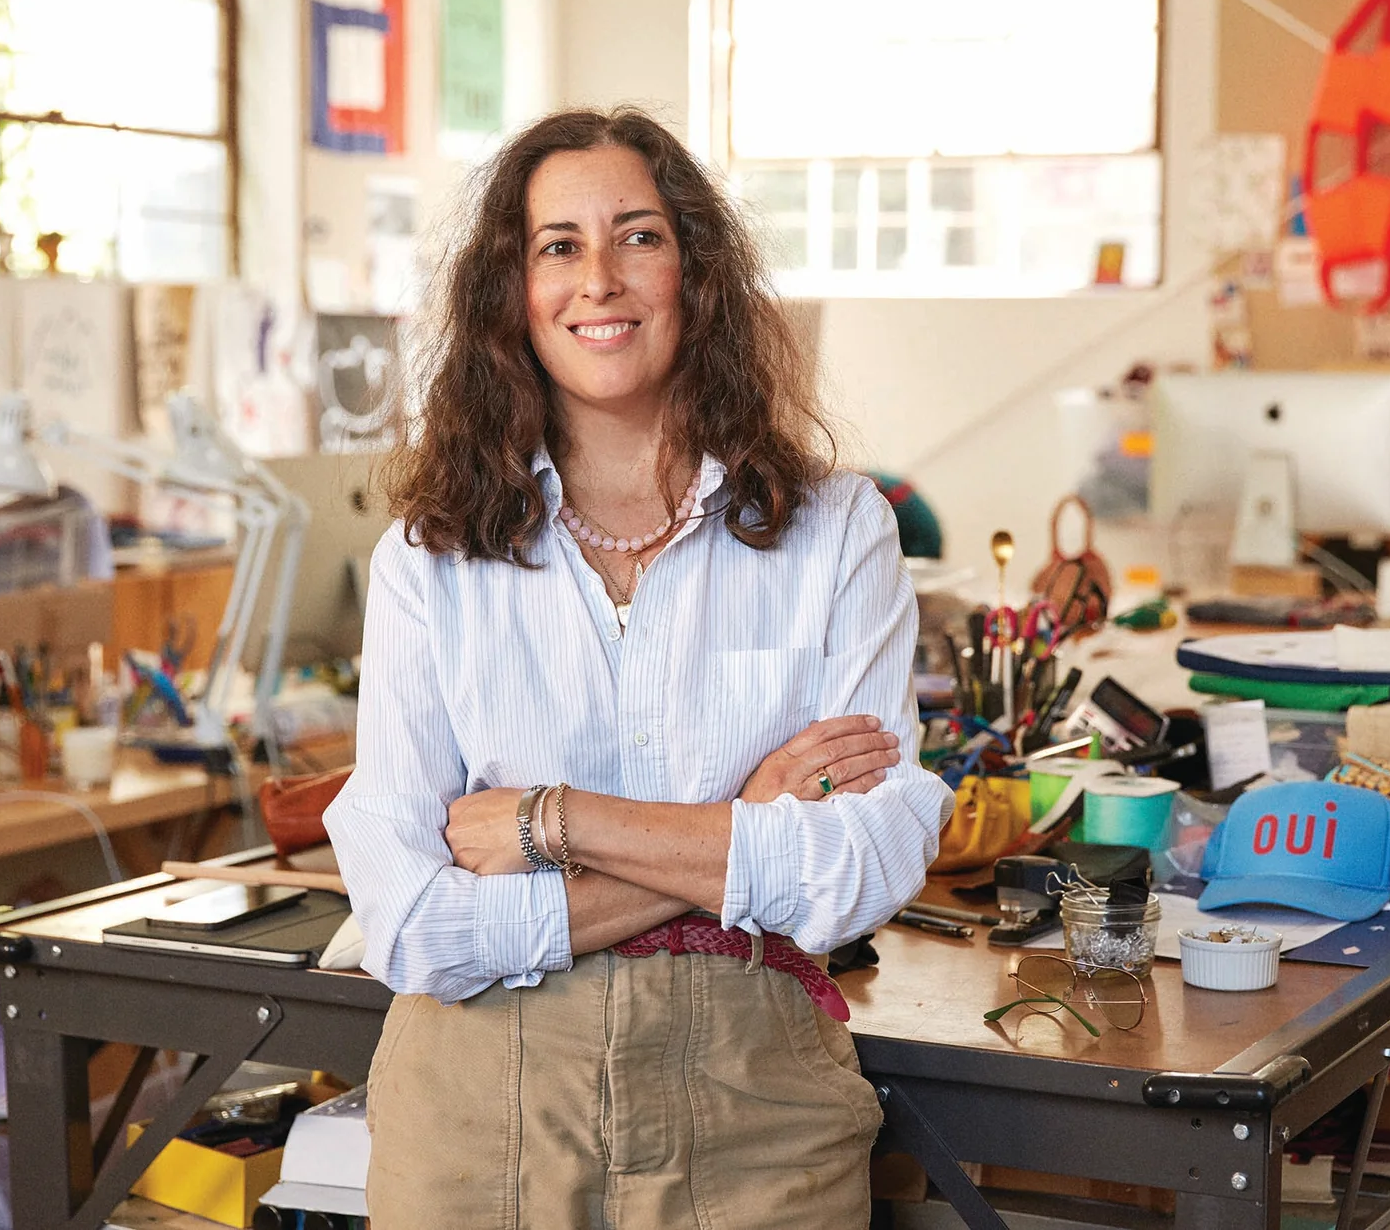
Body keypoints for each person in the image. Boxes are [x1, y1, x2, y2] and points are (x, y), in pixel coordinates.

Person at [323, 106, 952, 1228]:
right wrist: (744, 821)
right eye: (557, 246)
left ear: (695, 274)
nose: (598, 280)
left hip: (754, 1104)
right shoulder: (431, 559)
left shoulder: (836, 528)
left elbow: (868, 861)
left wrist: (549, 820)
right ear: (511, 291)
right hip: (479, 1110)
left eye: (639, 237)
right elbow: (414, 926)